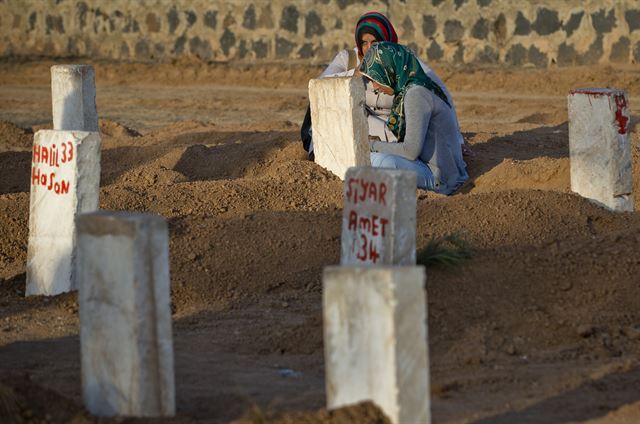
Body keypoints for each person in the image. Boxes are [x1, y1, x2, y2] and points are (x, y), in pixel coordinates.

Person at [302, 12, 468, 158]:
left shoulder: (403, 61)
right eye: (364, 43)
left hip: (395, 130)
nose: (368, 48)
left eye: (374, 42)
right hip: (359, 122)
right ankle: (318, 154)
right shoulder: (349, 59)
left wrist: (457, 140)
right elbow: (319, 86)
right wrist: (354, 74)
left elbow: (439, 94)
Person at [359, 42, 468, 194]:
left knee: (373, 160)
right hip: (437, 167)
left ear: (389, 70)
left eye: (375, 79)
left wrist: (371, 145)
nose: (375, 87)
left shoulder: (415, 94)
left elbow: (410, 151)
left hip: (441, 177)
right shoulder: (414, 87)